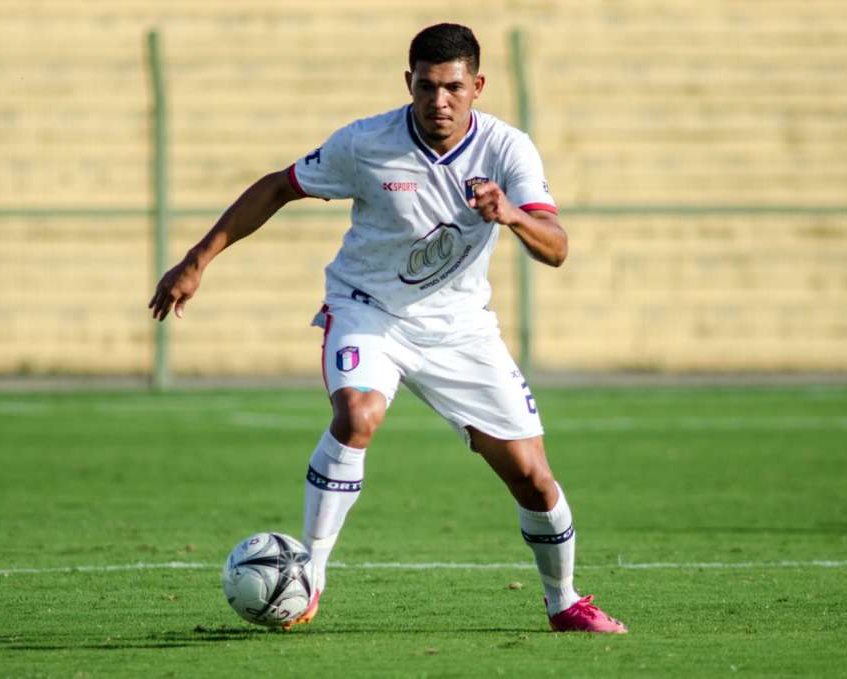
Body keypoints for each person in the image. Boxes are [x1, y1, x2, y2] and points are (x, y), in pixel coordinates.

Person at [149, 23, 627, 634]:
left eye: (453, 87)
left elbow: (557, 248)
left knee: (533, 478)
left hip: (460, 330)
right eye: (426, 87)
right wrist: (196, 262)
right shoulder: (365, 143)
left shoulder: (509, 150)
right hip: (367, 309)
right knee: (357, 414)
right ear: (409, 83)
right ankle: (310, 578)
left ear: (478, 86)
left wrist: (509, 213)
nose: (439, 101)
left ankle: (564, 603)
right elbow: (277, 186)